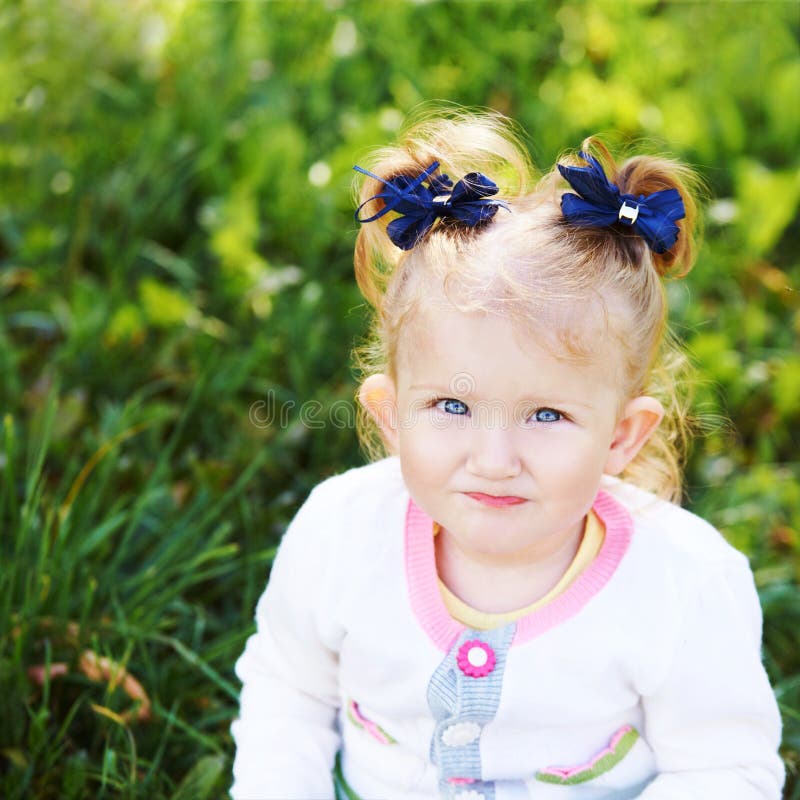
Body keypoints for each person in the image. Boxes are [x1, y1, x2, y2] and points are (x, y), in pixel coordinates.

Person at [230, 109, 784, 799]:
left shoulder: (682, 587)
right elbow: (290, 693)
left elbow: (723, 771)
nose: (494, 459)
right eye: (452, 408)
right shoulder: (341, 537)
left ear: (621, 436)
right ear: (390, 415)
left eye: (546, 414)